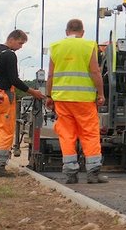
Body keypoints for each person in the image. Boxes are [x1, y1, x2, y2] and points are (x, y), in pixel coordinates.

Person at [45, 18, 107, 184]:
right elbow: (95, 72)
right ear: (83, 32)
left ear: (66, 32)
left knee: (66, 134)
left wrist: (49, 96)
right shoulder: (88, 45)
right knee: (89, 133)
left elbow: (50, 75)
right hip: (84, 100)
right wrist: (100, 94)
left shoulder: (56, 47)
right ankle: (93, 173)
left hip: (62, 99)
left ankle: (70, 173)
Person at [0, 30, 45, 177]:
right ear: (12, 39)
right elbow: (14, 79)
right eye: (20, 43)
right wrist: (32, 92)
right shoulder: (10, 55)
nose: (20, 47)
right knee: (5, 129)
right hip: (2, 94)